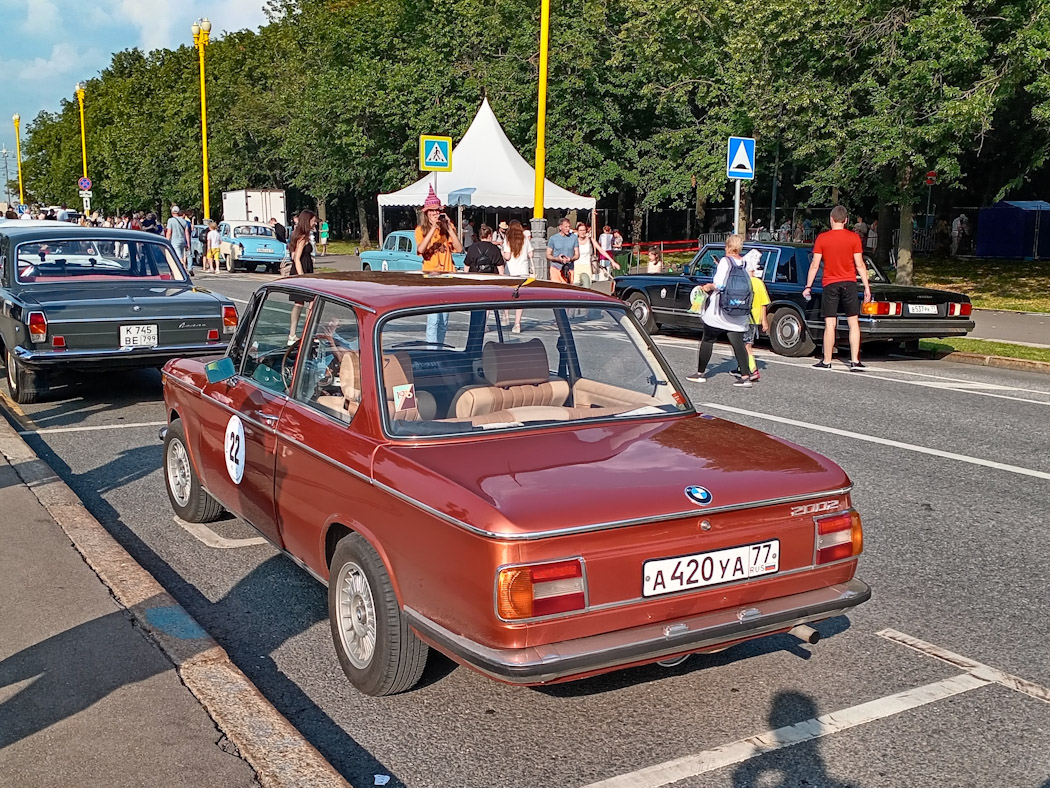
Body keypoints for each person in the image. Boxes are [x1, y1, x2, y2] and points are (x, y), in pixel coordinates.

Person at [803, 205, 872, 370]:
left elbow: (814, 265)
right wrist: (867, 287)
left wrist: (808, 286)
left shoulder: (822, 238)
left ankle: (827, 360)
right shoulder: (854, 238)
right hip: (849, 283)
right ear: (846, 220)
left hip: (830, 283)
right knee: (853, 322)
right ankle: (855, 360)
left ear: (831, 219)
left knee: (830, 323)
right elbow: (860, 265)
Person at [685, 233, 754, 387]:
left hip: (720, 310)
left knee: (708, 339)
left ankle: (700, 373)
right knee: (738, 343)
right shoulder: (745, 263)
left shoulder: (725, 261)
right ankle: (745, 376)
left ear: (728, 247)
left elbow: (719, 284)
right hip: (740, 309)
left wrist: (707, 287)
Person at [415, 185, 463, 344]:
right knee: (433, 319)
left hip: (448, 275)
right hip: (431, 277)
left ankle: (440, 349)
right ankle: (431, 351)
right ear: (426, 213)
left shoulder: (448, 228)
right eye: (432, 211)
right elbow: (421, 249)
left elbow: (459, 248)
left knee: (444, 320)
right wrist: (433, 229)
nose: (436, 213)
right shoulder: (420, 230)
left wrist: (449, 228)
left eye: (438, 210)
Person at [738, 250, 771, 382]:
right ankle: (742, 366)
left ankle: (752, 370)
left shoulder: (744, 283)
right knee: (747, 343)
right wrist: (764, 321)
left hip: (744, 317)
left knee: (745, 346)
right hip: (755, 318)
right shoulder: (759, 283)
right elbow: (764, 303)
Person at [287, 210, 318, 343]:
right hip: (301, 272)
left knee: (301, 303)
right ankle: (303, 334)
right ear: (307, 220)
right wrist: (302, 278)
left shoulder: (302, 235)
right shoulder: (302, 237)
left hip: (305, 270)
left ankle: (295, 334)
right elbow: (297, 259)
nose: (315, 223)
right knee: (309, 303)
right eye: (313, 220)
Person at [501, 220, 530, 332]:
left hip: (511, 271)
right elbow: (530, 254)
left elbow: (507, 257)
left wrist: (502, 253)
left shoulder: (508, 240)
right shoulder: (525, 239)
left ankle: (506, 315)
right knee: (520, 298)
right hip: (523, 271)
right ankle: (517, 323)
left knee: (508, 295)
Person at [546, 217, 579, 284]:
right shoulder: (553, 238)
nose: (568, 229)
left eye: (569, 227)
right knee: (556, 290)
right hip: (556, 268)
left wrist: (570, 259)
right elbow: (548, 255)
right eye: (566, 227)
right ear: (560, 227)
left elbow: (577, 254)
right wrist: (557, 259)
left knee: (568, 291)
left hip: (569, 269)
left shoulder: (574, 238)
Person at [166, 205, 192, 273]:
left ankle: (184, 271)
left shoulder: (170, 220)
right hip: (182, 241)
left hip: (174, 242)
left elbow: (169, 232)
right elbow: (187, 233)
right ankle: (177, 271)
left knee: (178, 258)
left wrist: (166, 241)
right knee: (181, 256)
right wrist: (188, 244)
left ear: (172, 212)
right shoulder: (184, 221)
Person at [574, 222, 598, 288]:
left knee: (587, 287)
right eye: (581, 230)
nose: (582, 232)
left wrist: (612, 261)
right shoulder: (574, 240)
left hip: (587, 266)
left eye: (584, 230)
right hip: (576, 266)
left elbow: (600, 249)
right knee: (575, 287)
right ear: (577, 231)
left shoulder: (590, 240)